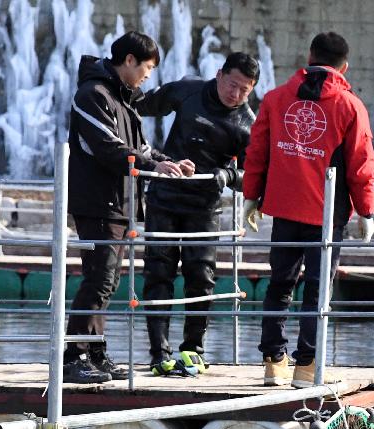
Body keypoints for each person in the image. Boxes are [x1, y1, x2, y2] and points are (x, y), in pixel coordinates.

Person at [242, 31, 374, 388]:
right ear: (344, 66)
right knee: (317, 290)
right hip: (326, 215)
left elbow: (257, 153)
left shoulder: (275, 98)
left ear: (309, 56)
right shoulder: (350, 106)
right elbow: (361, 163)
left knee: (280, 284)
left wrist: (251, 197)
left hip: (283, 209)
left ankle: (273, 362)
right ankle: (307, 366)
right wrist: (366, 211)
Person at [64, 31, 195, 384]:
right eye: (148, 67)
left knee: (107, 280)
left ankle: (94, 351)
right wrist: (155, 167)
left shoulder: (124, 100)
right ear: (129, 61)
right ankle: (73, 355)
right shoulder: (92, 94)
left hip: (119, 203)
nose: (149, 76)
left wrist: (170, 162)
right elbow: (108, 147)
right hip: (97, 202)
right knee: (100, 278)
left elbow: (142, 148)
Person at [136, 53, 260, 375]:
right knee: (158, 273)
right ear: (219, 75)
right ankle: (158, 353)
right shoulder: (188, 90)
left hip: (204, 206)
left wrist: (228, 176)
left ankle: (193, 350)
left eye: (244, 90)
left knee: (201, 279)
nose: (235, 94)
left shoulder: (247, 124)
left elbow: (254, 175)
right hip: (164, 196)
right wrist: (145, 154)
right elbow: (138, 107)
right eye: (232, 85)